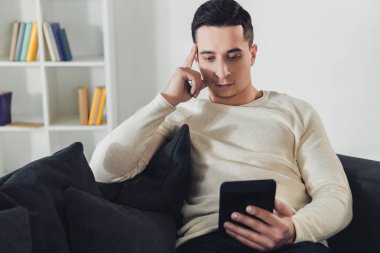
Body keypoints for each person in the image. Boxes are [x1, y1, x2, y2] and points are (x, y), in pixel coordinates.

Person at [90, 0, 352, 252]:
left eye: (233, 56)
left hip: (292, 239)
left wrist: (295, 228)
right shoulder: (180, 114)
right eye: (209, 57)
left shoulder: (296, 112)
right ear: (195, 59)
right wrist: (166, 101)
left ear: (252, 54)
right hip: (210, 240)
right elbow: (105, 169)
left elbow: (336, 194)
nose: (222, 71)